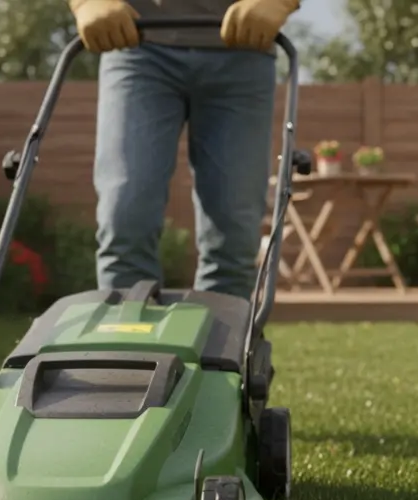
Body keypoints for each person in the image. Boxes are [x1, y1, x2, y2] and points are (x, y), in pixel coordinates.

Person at [69, 0, 299, 300]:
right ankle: (125, 341)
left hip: (244, 46)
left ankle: (220, 341)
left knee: (235, 232)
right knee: (125, 214)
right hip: (136, 43)